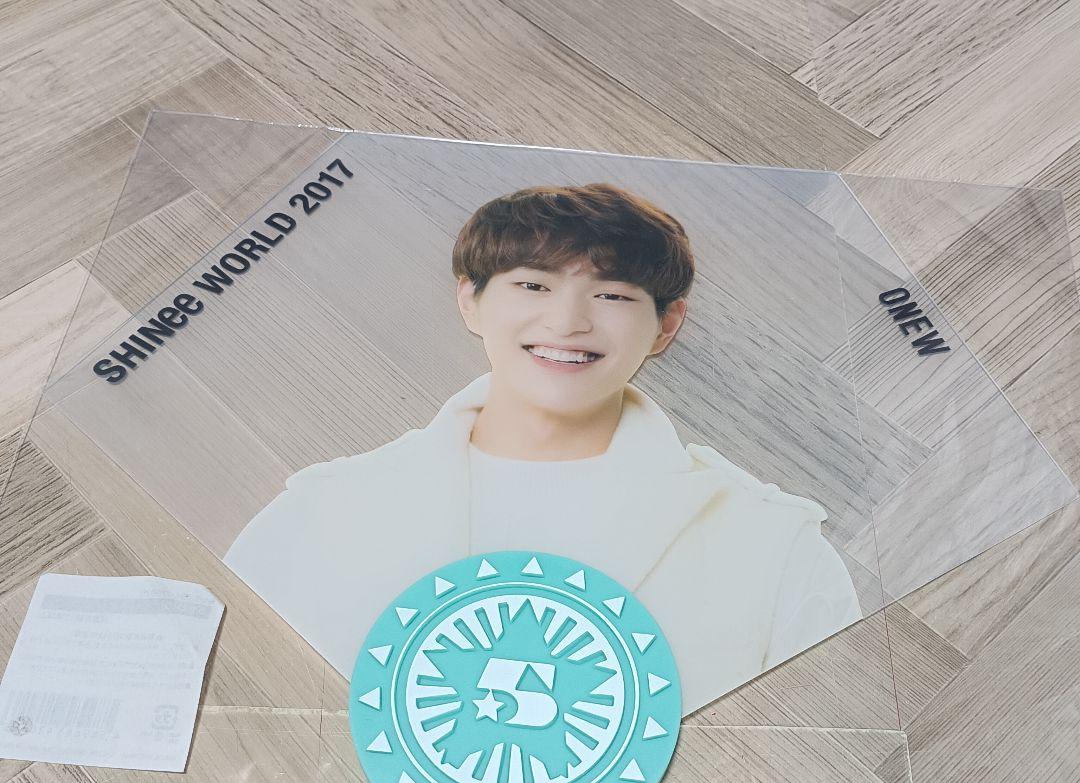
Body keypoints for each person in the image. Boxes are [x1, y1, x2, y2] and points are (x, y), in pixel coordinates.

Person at [223, 182, 861, 715]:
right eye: (533, 286)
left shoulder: (772, 543)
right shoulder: (322, 511)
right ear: (470, 302)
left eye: (612, 295)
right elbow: (235, 710)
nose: (567, 322)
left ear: (666, 326)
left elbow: (825, 753)